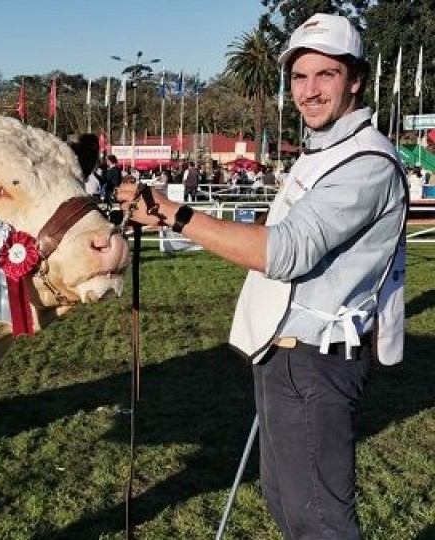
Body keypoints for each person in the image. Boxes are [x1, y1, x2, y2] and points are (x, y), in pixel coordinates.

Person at [117, 13, 406, 539]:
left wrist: (176, 214)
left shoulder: (366, 162)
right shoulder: (324, 152)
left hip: (315, 362)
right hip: (285, 355)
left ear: (356, 80)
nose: (310, 91)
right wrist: (162, 215)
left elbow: (286, 252)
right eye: (300, 76)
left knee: (318, 522)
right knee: (287, 505)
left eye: (326, 75)